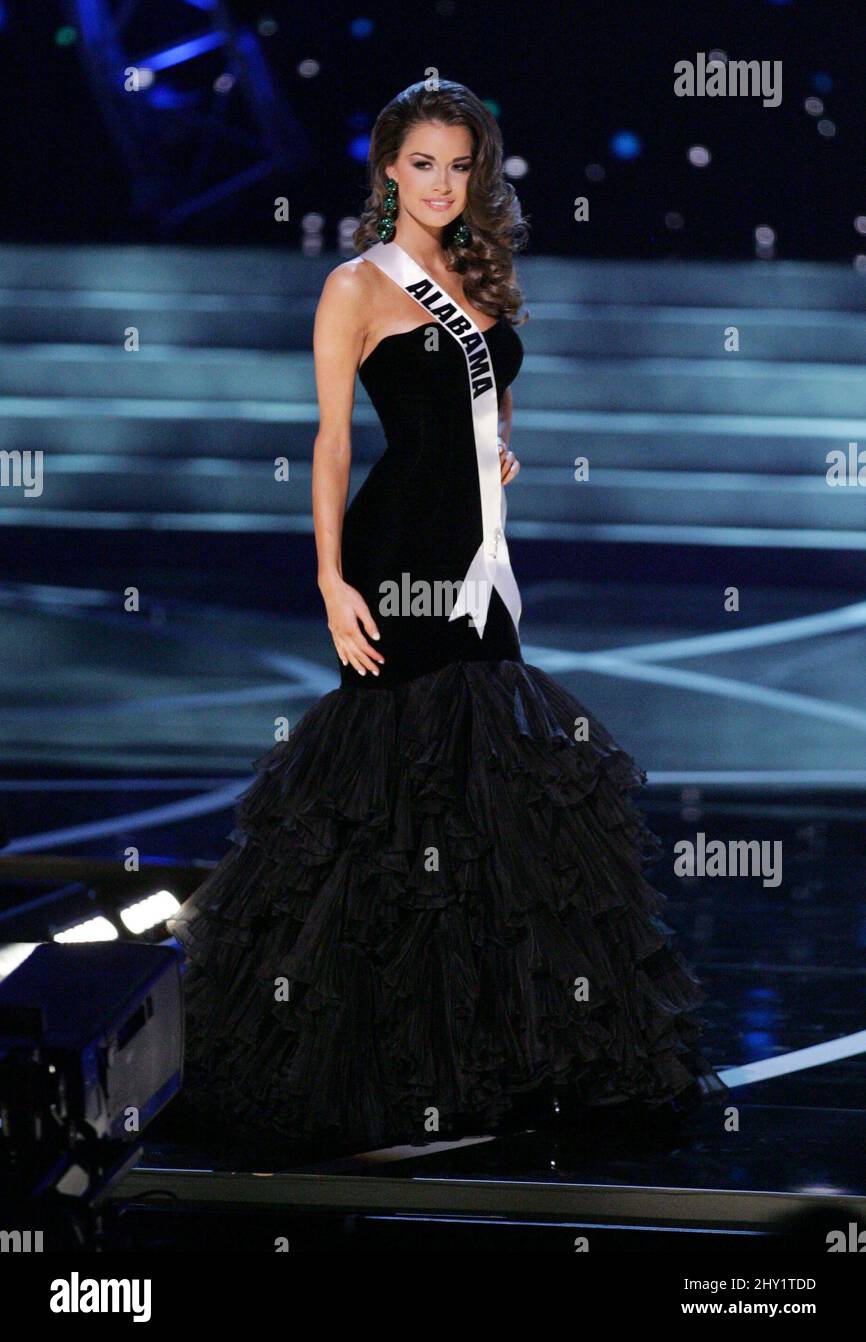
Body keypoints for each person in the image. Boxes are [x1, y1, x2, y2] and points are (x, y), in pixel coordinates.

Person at [166, 79, 724, 1154]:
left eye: (459, 165)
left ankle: (493, 1053)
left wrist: (495, 447)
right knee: (389, 796)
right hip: (391, 562)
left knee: (491, 796)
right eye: (420, 163)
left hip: (472, 561)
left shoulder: (476, 273)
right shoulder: (355, 286)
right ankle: (364, 1050)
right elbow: (333, 446)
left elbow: (484, 409)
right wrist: (329, 581)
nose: (440, 182)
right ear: (387, 170)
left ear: (478, 171)